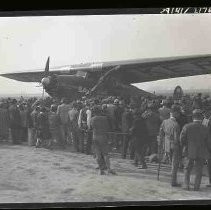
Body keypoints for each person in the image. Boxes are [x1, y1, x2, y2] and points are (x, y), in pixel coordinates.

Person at [180, 109, 211, 191]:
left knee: (187, 168)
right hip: (201, 151)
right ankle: (196, 187)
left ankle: (186, 185)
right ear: (201, 117)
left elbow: (182, 139)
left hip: (189, 150)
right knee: (199, 170)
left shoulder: (187, 126)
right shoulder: (206, 128)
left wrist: (185, 146)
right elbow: (209, 142)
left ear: (193, 117)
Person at [159, 105, 181, 187]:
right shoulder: (176, 124)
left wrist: (161, 143)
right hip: (174, 145)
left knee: (171, 163)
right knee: (174, 164)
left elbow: (161, 133)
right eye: (178, 113)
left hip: (166, 144)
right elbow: (176, 138)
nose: (179, 115)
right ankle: (173, 182)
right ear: (175, 113)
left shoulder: (165, 122)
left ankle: (171, 180)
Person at [90, 106, 116, 175]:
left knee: (98, 154)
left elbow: (90, 127)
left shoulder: (92, 119)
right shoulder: (105, 118)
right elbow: (107, 127)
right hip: (103, 136)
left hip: (95, 136)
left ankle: (101, 170)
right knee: (105, 154)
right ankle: (109, 169)